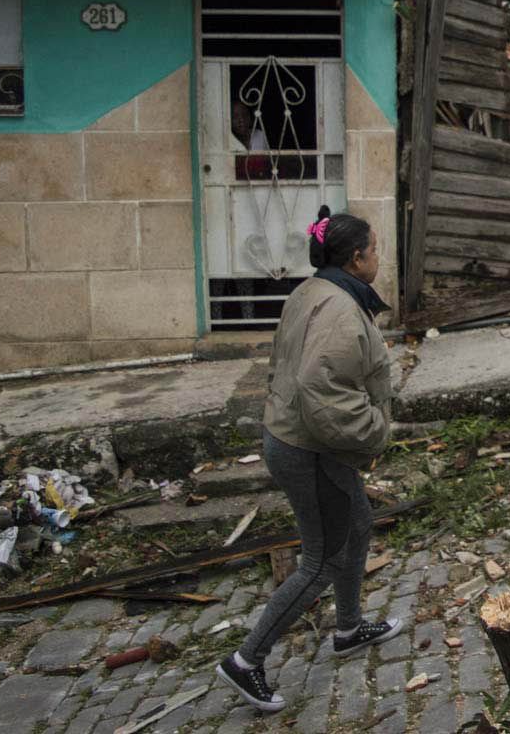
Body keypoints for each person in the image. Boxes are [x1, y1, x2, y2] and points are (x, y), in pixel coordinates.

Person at [217, 206, 404, 712]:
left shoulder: (315, 290)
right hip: (311, 449)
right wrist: (376, 432)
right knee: (319, 559)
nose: (379, 258)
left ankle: (348, 628)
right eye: (375, 250)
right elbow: (320, 389)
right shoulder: (339, 310)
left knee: (359, 523)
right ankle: (246, 660)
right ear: (357, 257)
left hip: (302, 440)